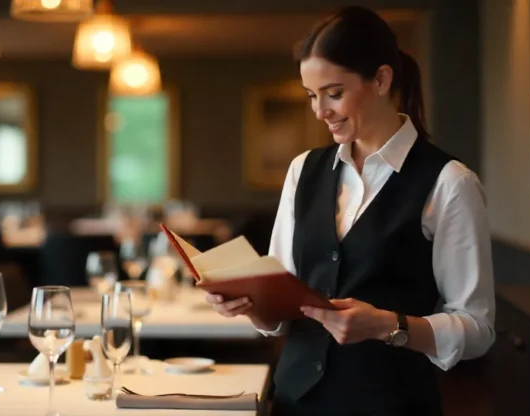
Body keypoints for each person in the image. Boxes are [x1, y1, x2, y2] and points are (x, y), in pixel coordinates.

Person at [205, 6, 495, 416]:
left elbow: (477, 329)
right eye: (311, 95)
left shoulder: (450, 182)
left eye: (334, 93)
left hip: (393, 405)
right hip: (295, 403)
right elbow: (280, 296)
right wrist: (252, 304)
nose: (320, 111)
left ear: (381, 79)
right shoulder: (302, 170)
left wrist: (388, 326)